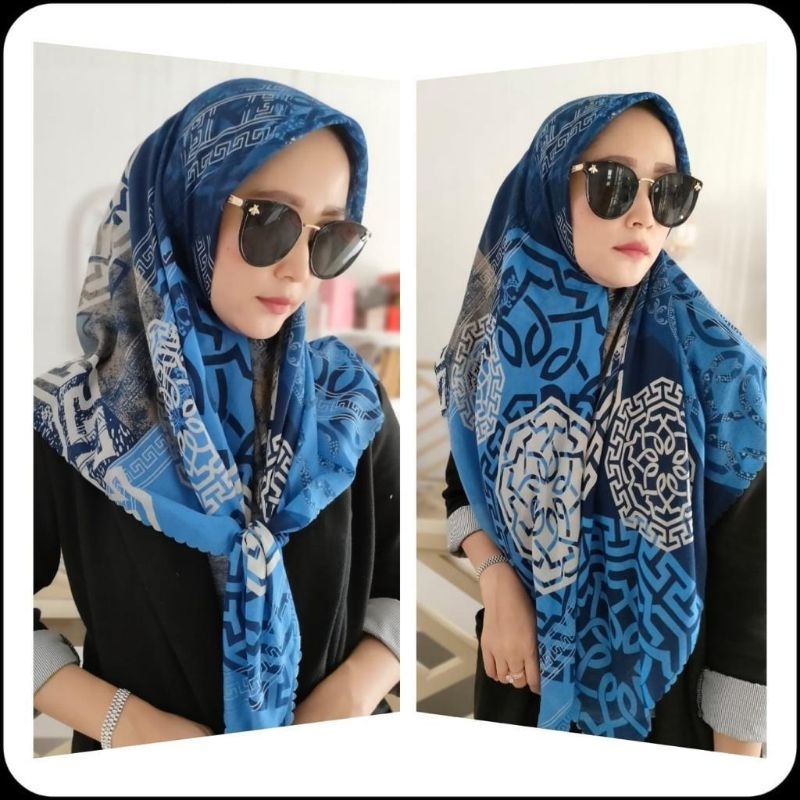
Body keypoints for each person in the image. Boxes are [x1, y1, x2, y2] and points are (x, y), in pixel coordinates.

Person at [33, 77, 400, 751]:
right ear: (184, 211)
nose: (298, 269)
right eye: (269, 221)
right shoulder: (67, 423)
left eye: (330, 235)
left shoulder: (352, 403)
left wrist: (354, 691)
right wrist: (125, 723)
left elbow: (395, 582)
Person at [435, 91, 766, 755]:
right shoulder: (493, 348)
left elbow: (754, 608)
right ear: (547, 189)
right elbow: (460, 487)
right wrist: (497, 580)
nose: (644, 214)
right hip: (516, 685)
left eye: (667, 191)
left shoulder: (723, 373)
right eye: (613, 183)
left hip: (669, 721)